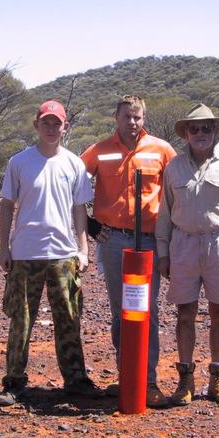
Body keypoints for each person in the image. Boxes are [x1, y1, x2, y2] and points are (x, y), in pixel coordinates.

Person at [0, 99, 101, 406]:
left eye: (57, 123)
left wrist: (82, 250)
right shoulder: (19, 162)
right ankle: (14, 383)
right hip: (25, 253)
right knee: (21, 321)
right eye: (46, 122)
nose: (52, 128)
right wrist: (4, 247)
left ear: (65, 127)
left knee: (68, 318)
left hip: (63, 254)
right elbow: (6, 206)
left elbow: (80, 209)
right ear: (36, 125)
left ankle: (76, 380)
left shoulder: (74, 164)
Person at [155, 103, 219, 408]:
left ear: (215, 131)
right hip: (183, 245)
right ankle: (185, 379)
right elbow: (165, 213)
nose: (200, 133)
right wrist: (163, 253)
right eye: (194, 128)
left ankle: (218, 379)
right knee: (184, 315)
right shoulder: (174, 167)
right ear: (186, 133)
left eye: (206, 128)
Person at [81, 95, 176, 407]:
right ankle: (128, 378)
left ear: (143, 118)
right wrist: (90, 225)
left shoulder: (162, 150)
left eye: (137, 117)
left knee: (146, 310)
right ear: (116, 118)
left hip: (149, 241)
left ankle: (147, 382)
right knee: (121, 312)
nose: (132, 123)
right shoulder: (99, 150)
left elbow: (179, 190)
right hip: (113, 241)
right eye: (126, 117)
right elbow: (70, 182)